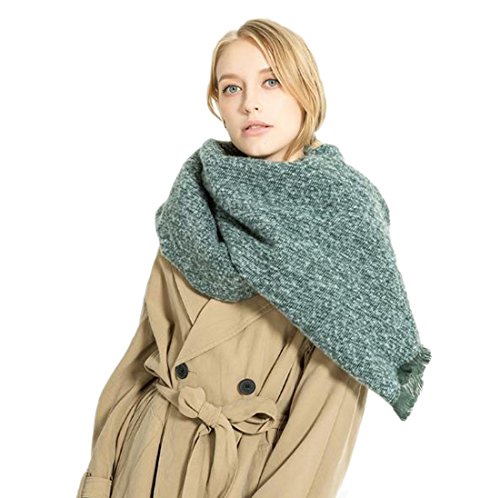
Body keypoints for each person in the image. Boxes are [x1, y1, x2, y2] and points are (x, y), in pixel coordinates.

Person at [76, 17, 428, 498]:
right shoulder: (192, 199)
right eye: (231, 88)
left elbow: (330, 407)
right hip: (145, 459)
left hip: (245, 473)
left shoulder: (342, 211)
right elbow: (143, 352)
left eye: (271, 81)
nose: (250, 103)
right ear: (217, 104)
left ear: (306, 91)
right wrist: (99, 479)